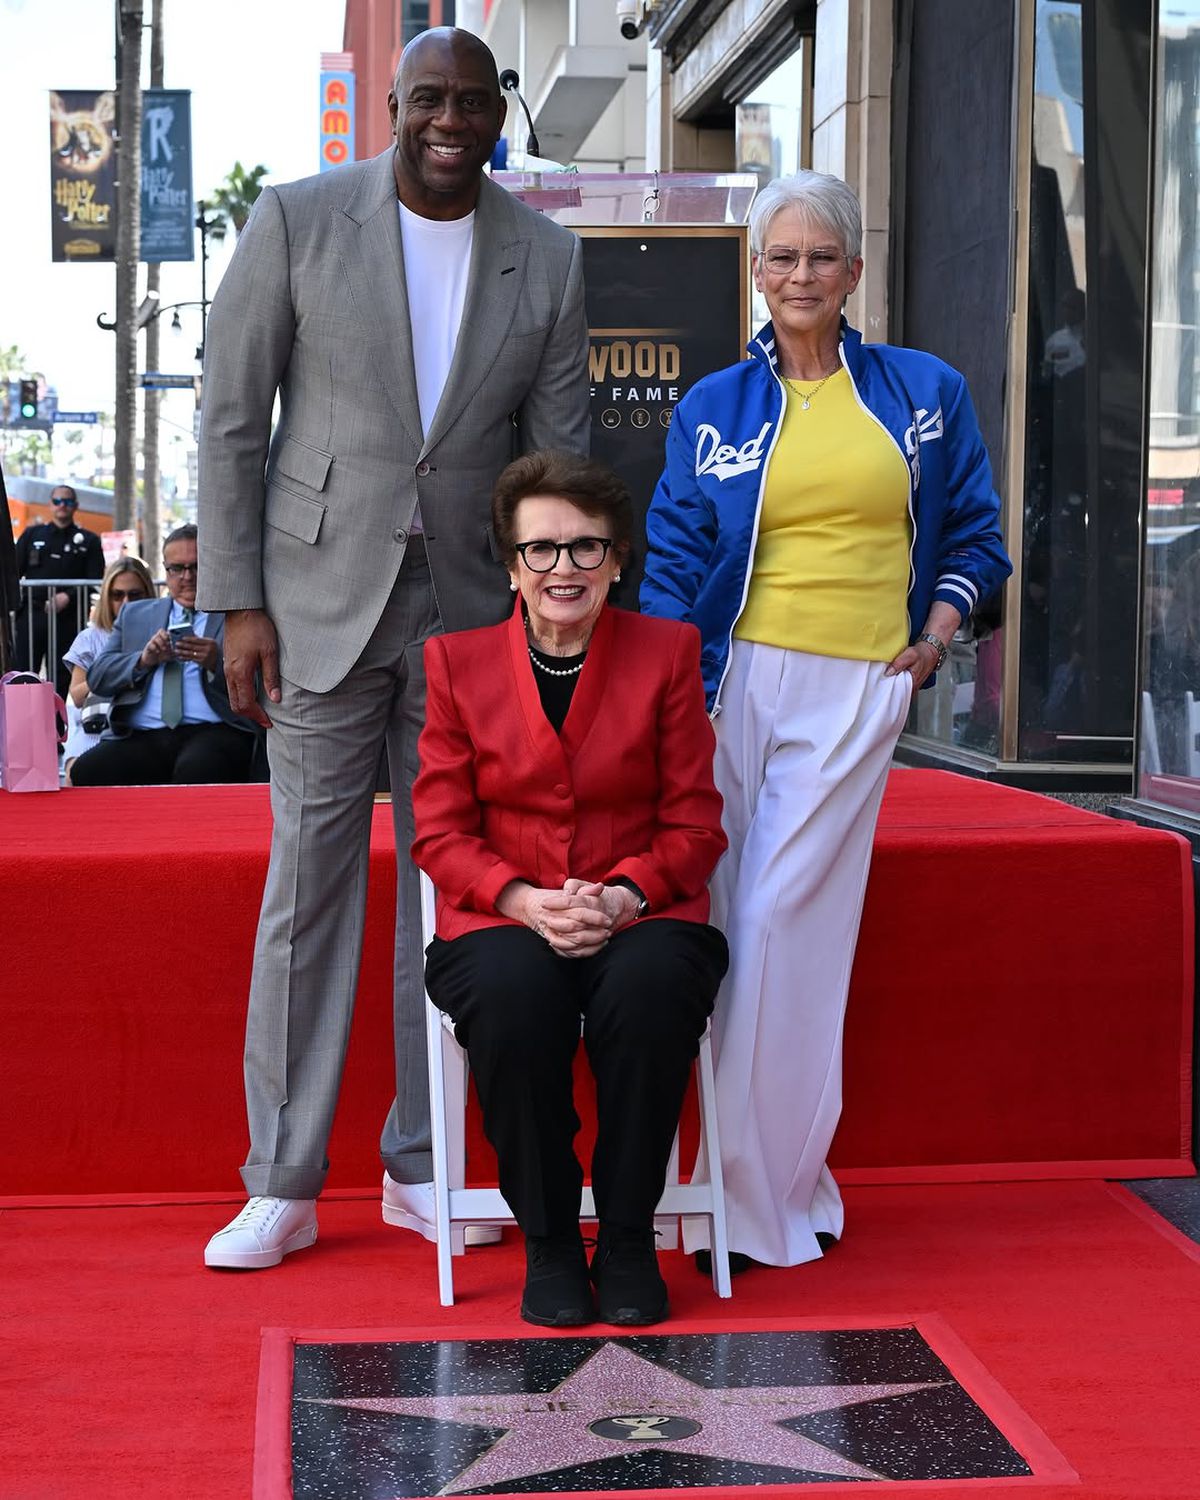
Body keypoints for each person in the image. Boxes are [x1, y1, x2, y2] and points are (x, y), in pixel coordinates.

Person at [197, 27, 590, 1271]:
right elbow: (228, 416)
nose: (452, 119)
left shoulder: (548, 252)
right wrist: (238, 600)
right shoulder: (300, 219)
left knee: (460, 889)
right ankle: (284, 1177)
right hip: (317, 602)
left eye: (475, 101)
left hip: (474, 617)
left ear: (496, 111)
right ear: (394, 104)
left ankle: (428, 1164)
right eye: (431, 99)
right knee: (309, 889)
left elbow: (558, 453)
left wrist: (553, 614)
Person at [640, 170, 1012, 1272]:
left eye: (820, 257)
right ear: (756, 272)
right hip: (726, 687)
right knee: (727, 926)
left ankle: (746, 1200)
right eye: (780, 258)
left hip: (857, 686)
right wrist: (663, 702)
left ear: (856, 270)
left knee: (777, 928)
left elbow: (977, 541)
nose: (800, 276)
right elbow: (669, 562)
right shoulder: (713, 406)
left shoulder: (923, 392)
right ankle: (776, 1176)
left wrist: (935, 642)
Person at [413, 451, 728, 1326]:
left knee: (654, 986)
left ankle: (626, 1238)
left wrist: (625, 895)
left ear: (618, 560)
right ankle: (550, 1241)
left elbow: (697, 824)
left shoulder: (667, 652)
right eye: (542, 550)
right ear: (512, 564)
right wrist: (521, 899)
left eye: (587, 548)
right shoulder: (454, 665)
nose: (564, 569)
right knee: (513, 997)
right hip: (501, 917)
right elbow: (438, 832)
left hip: (642, 912)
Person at [72, 526, 258, 786]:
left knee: (199, 768)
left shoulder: (237, 616)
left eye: (196, 566)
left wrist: (217, 662)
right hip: (142, 732)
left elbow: (262, 680)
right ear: (165, 571)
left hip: (215, 727)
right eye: (177, 568)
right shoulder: (135, 614)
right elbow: (99, 676)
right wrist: (142, 660)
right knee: (88, 770)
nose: (187, 577)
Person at [61, 556, 157, 782]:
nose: (125, 603)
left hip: (143, 730)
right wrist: (120, 673)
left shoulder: (159, 633)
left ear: (148, 593)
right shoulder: (91, 638)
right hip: (94, 729)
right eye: (117, 595)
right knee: (77, 775)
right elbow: (76, 696)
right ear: (106, 597)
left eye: (134, 595)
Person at [14, 485, 105, 698]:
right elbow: (14, 573)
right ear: (50, 504)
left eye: (68, 501)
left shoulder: (89, 541)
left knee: (62, 678)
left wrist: (69, 596)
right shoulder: (31, 535)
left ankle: (58, 726)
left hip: (68, 619)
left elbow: (95, 580)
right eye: (57, 501)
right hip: (31, 616)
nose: (62, 506)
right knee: (24, 676)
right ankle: (24, 725)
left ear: (76, 506)